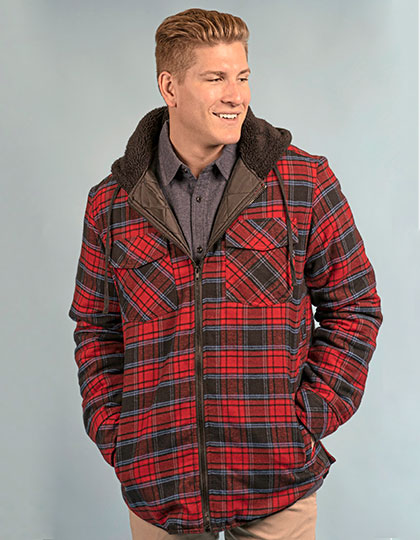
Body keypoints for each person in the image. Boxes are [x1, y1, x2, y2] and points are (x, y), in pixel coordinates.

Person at [69, 8, 383, 540]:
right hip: (160, 487)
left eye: (242, 76)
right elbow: (96, 328)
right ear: (170, 86)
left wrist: (308, 416)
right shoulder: (112, 203)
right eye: (215, 78)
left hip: (277, 485)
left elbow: (355, 307)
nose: (235, 95)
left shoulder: (303, 181)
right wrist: (119, 434)